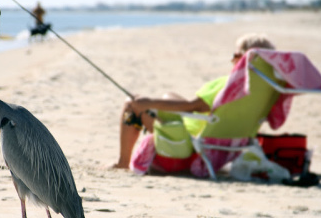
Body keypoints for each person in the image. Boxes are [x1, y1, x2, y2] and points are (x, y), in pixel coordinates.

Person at [112, 33, 276, 170]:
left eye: (235, 55)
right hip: (230, 147)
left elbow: (191, 107)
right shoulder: (269, 89)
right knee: (169, 95)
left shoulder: (229, 85)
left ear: (246, 59)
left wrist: (149, 102)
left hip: (192, 148)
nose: (232, 60)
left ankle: (122, 163)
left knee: (132, 103)